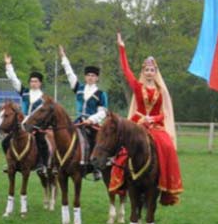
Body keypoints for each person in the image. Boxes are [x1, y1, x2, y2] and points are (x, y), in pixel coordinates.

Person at [116, 32, 183, 204]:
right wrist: (122, 48)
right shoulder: (137, 87)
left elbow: (164, 112)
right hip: (138, 124)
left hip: (155, 126)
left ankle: (165, 184)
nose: (149, 72)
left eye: (152, 70)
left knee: (167, 146)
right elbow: (126, 70)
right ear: (143, 72)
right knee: (123, 150)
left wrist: (153, 119)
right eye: (146, 70)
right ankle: (121, 181)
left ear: (156, 72)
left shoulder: (161, 91)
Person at [59, 45, 109, 180]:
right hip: (78, 121)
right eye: (88, 75)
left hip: (92, 123)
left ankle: (95, 168)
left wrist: (91, 120)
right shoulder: (79, 88)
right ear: (85, 77)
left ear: (97, 78)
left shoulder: (101, 94)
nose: (90, 77)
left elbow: (103, 112)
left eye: (93, 76)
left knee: (96, 141)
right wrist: (64, 58)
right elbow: (70, 74)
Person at [2, 53, 49, 175]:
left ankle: (42, 165)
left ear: (40, 83)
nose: (33, 83)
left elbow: (45, 115)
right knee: (5, 141)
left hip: (35, 126)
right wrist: (8, 65)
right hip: (22, 125)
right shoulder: (25, 93)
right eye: (32, 81)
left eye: (36, 81)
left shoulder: (44, 98)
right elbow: (14, 80)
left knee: (42, 142)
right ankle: (9, 162)